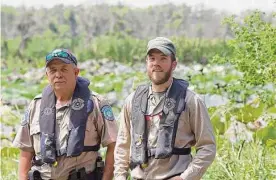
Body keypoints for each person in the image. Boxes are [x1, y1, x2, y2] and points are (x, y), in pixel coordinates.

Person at [114, 37, 216, 180]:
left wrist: (185, 178)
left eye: (163, 59)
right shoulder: (132, 101)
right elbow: (122, 147)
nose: (156, 64)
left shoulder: (191, 101)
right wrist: (120, 177)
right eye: (152, 59)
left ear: (174, 64)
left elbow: (208, 147)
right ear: (147, 63)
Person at [13, 49, 118, 180]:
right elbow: (25, 151)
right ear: (47, 75)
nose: (58, 75)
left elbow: (114, 146)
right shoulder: (36, 106)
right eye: (53, 70)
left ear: (76, 72)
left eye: (64, 69)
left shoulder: (96, 104)